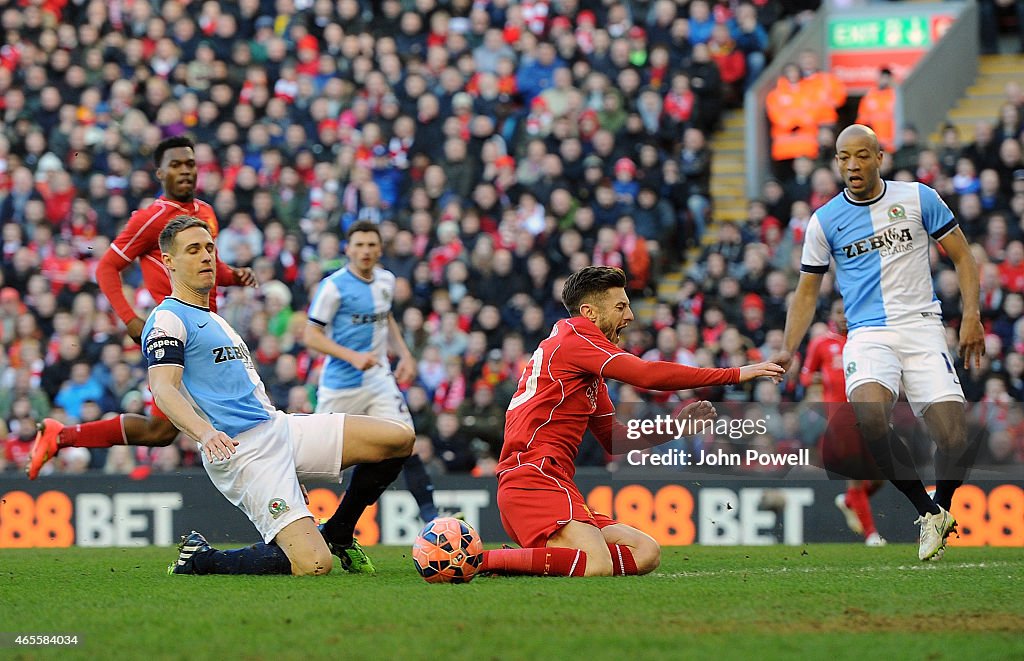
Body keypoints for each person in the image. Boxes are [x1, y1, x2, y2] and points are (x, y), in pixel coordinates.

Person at [148, 216, 414, 576]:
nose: (206, 256)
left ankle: (338, 529)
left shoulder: (214, 318)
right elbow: (163, 389)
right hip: (243, 451)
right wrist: (205, 433)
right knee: (314, 565)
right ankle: (200, 558)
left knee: (399, 438)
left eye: (209, 248)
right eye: (193, 250)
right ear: (169, 262)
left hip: (277, 427)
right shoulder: (167, 318)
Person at [479, 266, 784, 577]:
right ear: (590, 313)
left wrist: (676, 428)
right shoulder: (575, 338)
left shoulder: (584, 366)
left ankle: (529, 559)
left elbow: (615, 440)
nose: (631, 316)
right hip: (533, 480)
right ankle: (479, 560)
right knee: (596, 565)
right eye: (621, 306)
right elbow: (646, 374)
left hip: (551, 482)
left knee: (646, 552)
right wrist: (733, 374)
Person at [778, 124, 985, 562]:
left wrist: (971, 316)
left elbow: (964, 257)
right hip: (868, 333)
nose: (852, 165)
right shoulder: (825, 221)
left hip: (923, 325)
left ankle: (940, 512)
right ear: (836, 162)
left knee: (954, 436)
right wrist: (788, 347)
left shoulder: (919, 198)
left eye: (861, 155)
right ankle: (926, 511)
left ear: (879, 157)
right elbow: (807, 292)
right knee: (870, 416)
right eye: (843, 157)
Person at [27, 136, 257, 480]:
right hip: (181, 330)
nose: (184, 171)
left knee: (161, 432)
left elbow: (212, 267)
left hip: (208, 326)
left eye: (190, 164)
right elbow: (106, 267)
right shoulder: (152, 218)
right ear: (160, 172)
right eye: (175, 165)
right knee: (240, 414)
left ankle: (61, 436)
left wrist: (234, 276)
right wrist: (130, 320)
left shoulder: (205, 212)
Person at [302, 220, 441, 526]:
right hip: (340, 385)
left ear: (380, 249)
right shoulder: (333, 286)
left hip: (378, 379)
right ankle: (292, 518)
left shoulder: (386, 281)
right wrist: (351, 356)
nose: (365, 251)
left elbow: (385, 318)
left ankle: (430, 515)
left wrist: (405, 354)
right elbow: (311, 336)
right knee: (315, 460)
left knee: (406, 440)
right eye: (359, 245)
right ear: (348, 250)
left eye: (371, 245)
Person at [799, 299, 885, 546]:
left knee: (881, 477)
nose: (844, 316)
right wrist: (820, 381)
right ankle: (871, 535)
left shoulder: (864, 340)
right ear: (832, 315)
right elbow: (805, 378)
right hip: (839, 420)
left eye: (848, 312)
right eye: (839, 311)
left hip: (868, 415)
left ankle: (850, 501)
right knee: (856, 473)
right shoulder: (822, 343)